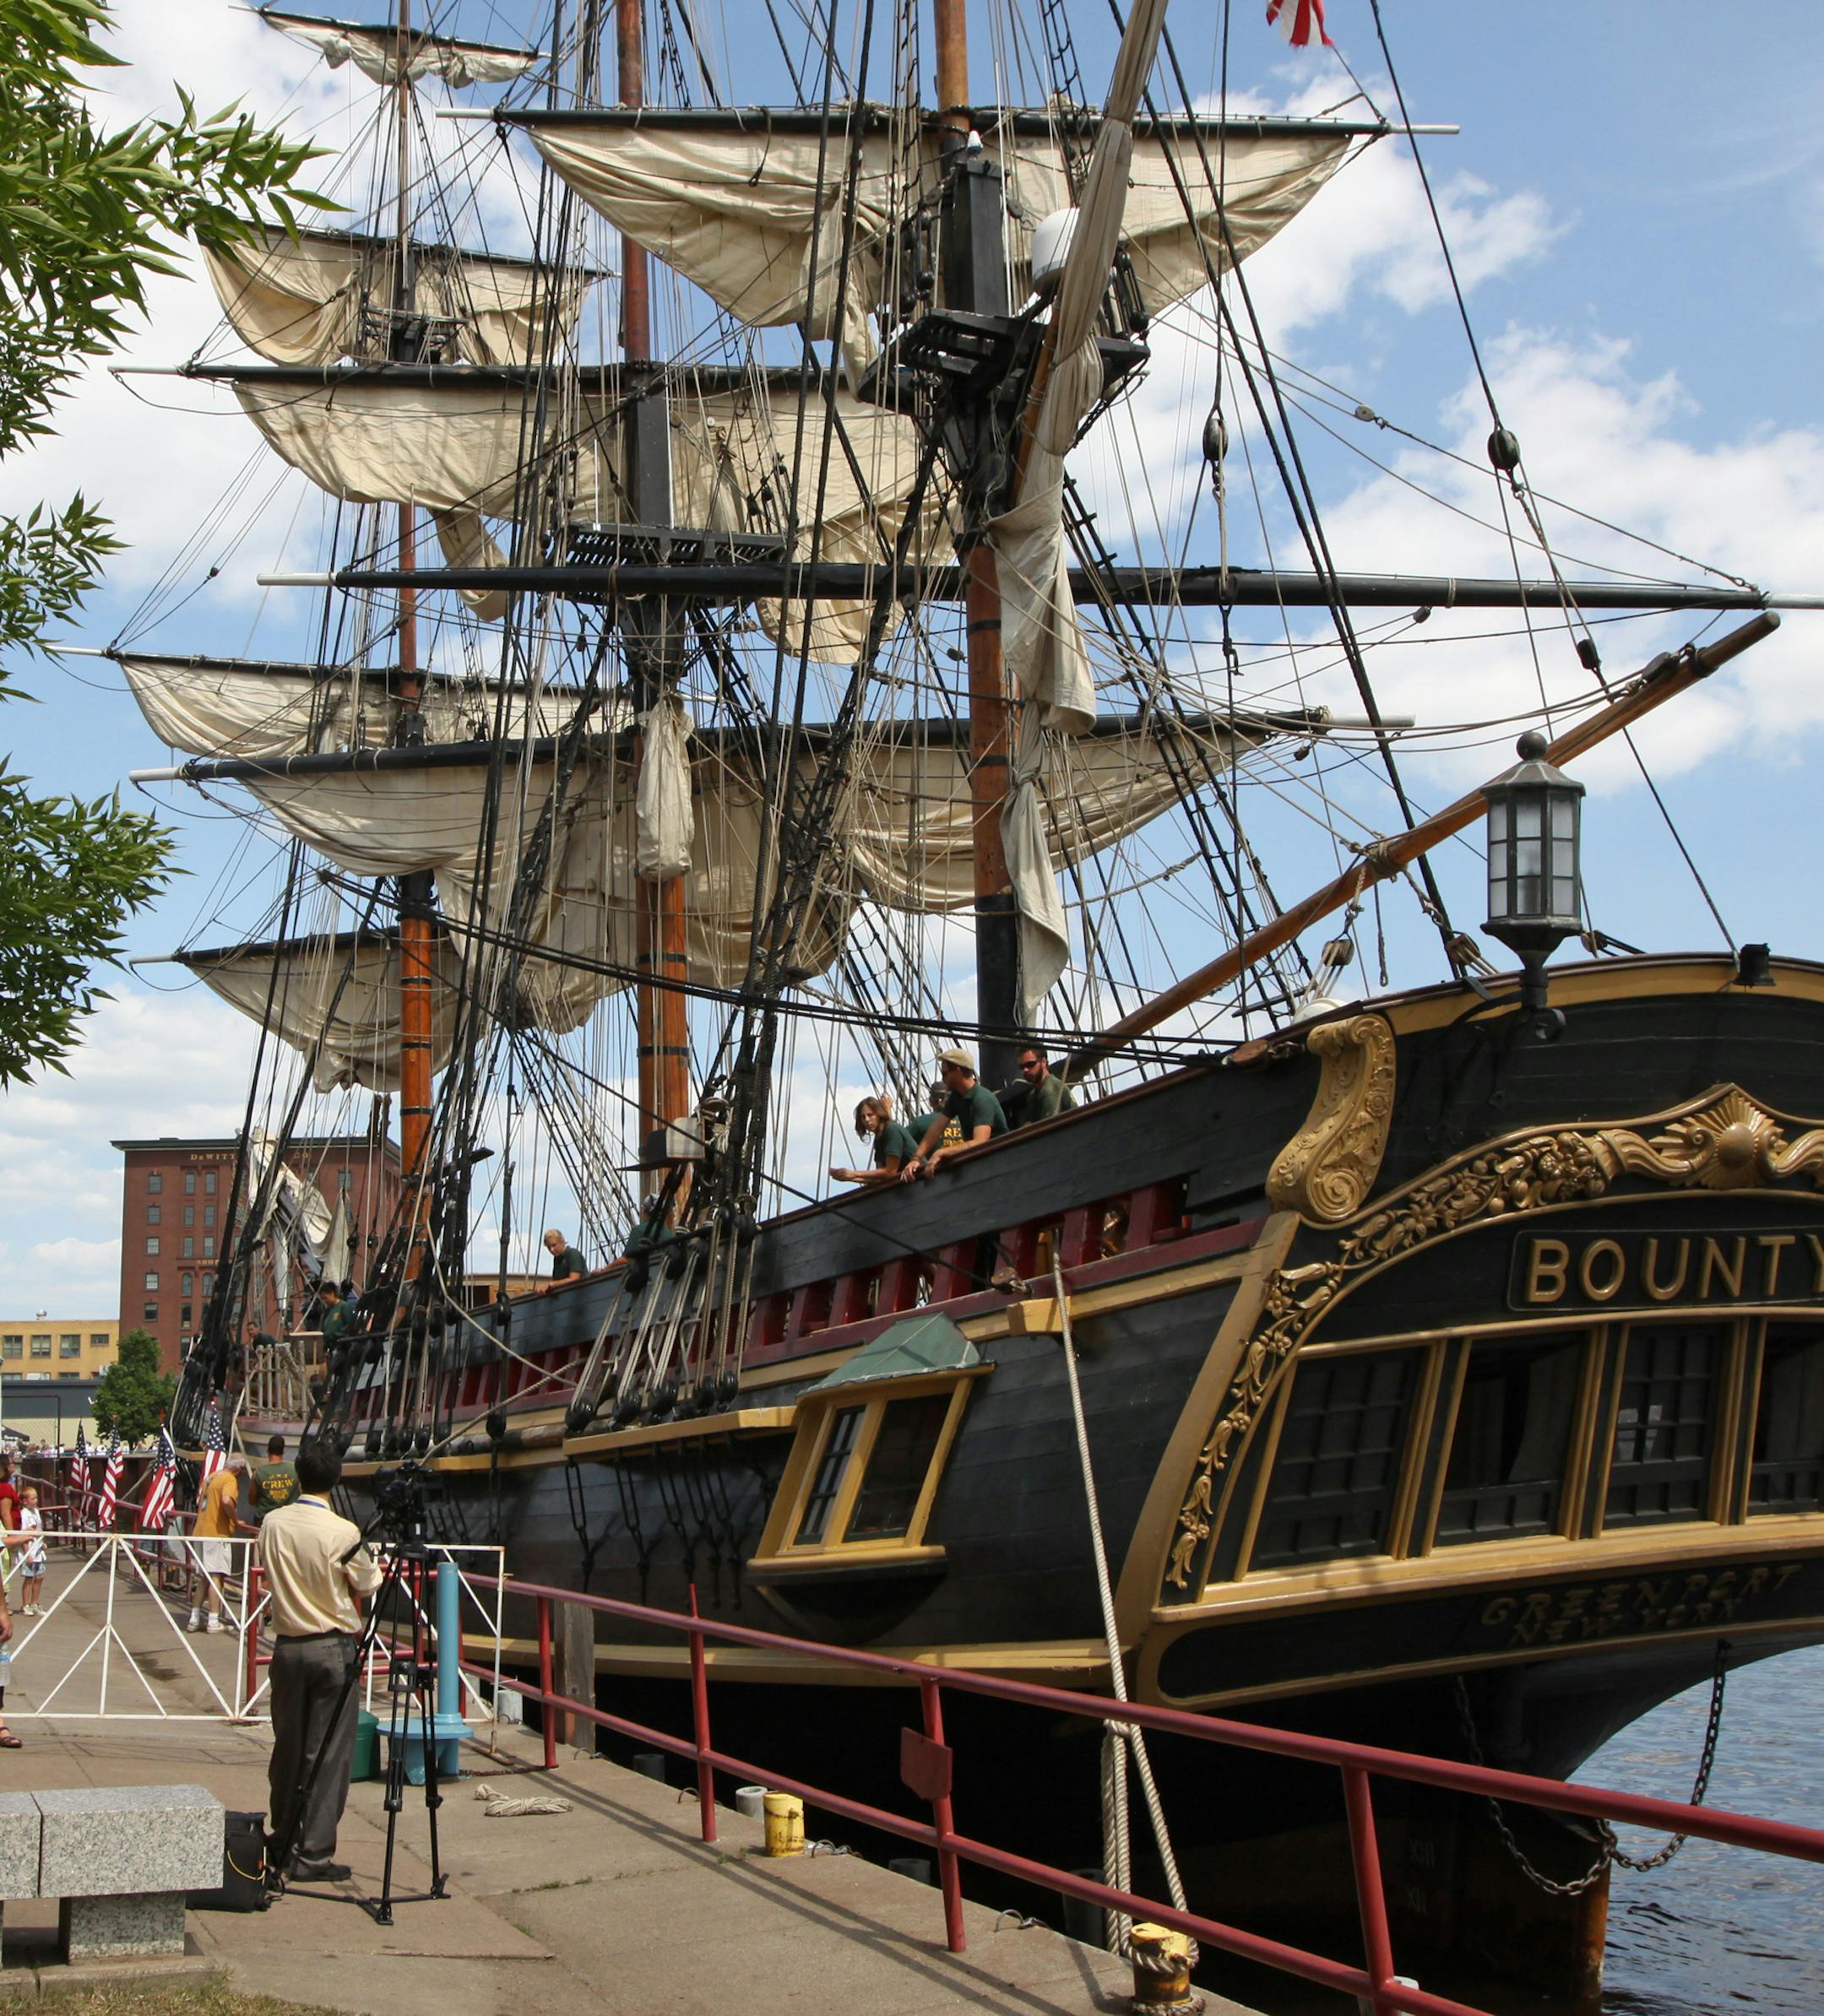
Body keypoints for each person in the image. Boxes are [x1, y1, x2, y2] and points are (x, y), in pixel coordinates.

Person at [258, 1439, 382, 1883]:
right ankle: (313, 1854)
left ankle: (283, 1837)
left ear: (297, 1477)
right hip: (332, 1646)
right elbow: (366, 1584)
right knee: (326, 1754)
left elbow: (266, 1567)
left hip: (288, 1646)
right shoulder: (343, 1532)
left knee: (287, 1748)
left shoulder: (272, 1523)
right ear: (336, 1479)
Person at [901, 1049, 1007, 1180]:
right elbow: (936, 1129)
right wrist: (916, 1159)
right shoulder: (957, 1098)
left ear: (958, 1071)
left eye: (945, 1073)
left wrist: (942, 1152)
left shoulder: (982, 1099)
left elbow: (980, 1142)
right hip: (979, 1163)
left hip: (999, 1162)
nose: (942, 1078)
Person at [187, 1452, 247, 1633]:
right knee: (216, 1576)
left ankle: (194, 1618)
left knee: (204, 1577)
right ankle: (213, 1620)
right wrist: (235, 1520)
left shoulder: (211, 1476)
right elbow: (227, 1500)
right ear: (239, 1469)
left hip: (201, 1530)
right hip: (216, 1532)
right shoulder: (229, 1479)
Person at [828, 1095, 920, 1186]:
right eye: (863, 1117)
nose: (867, 1120)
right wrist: (848, 1177)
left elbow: (891, 1172)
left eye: (870, 1115)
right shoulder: (879, 1138)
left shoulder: (891, 1130)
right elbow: (879, 1177)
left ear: (879, 1114)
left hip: (918, 1179)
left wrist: (853, 1174)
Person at [1000, 1043, 1076, 1130]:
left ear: (1043, 1062)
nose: (1025, 1070)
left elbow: (1048, 1130)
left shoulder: (1049, 1091)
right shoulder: (1033, 1095)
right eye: (1022, 1067)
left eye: (1030, 1064)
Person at [251, 1435, 301, 1522]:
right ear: (284, 1451)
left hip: (264, 1520)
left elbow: (252, 1500)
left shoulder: (258, 1473)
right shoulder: (295, 1469)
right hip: (288, 1519)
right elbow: (301, 1493)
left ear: (267, 1450)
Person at [14, 1488, 43, 1617]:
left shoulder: (36, 1512)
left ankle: (34, 1603)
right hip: (29, 1551)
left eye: (36, 1498)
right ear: (25, 1501)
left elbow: (39, 1529)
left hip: (38, 1550)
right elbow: (23, 1535)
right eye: (33, 1498)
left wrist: (42, 1542)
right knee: (29, 1578)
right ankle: (25, 1605)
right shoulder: (24, 1514)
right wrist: (27, 1554)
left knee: (40, 1576)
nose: (36, 1500)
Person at [539, 1228, 588, 1293]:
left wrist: (551, 1284)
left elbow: (574, 1280)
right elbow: (557, 1281)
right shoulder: (557, 1259)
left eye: (554, 1245)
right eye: (549, 1247)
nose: (552, 1250)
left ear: (562, 1242)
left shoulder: (573, 1254)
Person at [318, 1282, 352, 1347]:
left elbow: (349, 1326)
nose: (324, 1301)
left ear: (332, 1293)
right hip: (328, 1344)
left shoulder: (344, 1306)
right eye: (322, 1299)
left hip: (341, 1344)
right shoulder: (327, 1311)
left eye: (325, 1298)